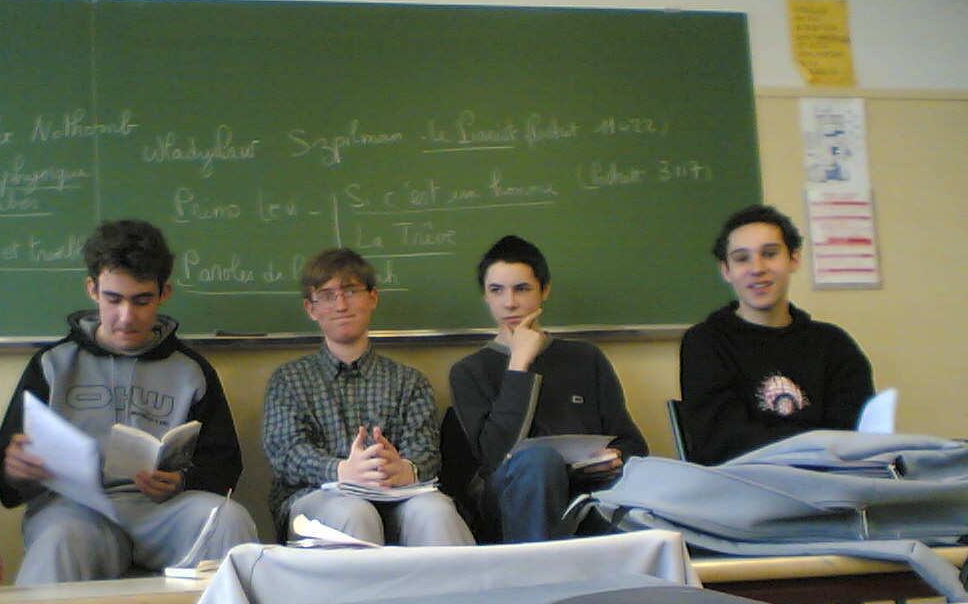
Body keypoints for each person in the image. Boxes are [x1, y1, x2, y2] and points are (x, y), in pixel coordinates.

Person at [0, 219, 258, 604]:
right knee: (60, 538)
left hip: (163, 514)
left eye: (142, 300)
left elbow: (224, 464)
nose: (127, 316)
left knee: (228, 517)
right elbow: (7, 473)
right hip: (77, 512)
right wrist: (17, 470)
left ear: (164, 294)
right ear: (92, 290)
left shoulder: (191, 370)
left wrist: (181, 481)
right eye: (113, 299)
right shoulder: (53, 365)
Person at [262, 247, 474, 546]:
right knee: (355, 512)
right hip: (317, 496)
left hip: (398, 495)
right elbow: (286, 453)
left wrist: (405, 469)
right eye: (327, 295)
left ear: (372, 298)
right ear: (311, 308)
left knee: (437, 511)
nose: (341, 305)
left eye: (351, 291)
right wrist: (341, 470)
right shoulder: (289, 380)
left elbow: (427, 453)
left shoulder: (409, 381)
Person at [449, 235, 648, 544]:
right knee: (539, 461)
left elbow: (632, 442)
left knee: (647, 484)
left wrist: (616, 455)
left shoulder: (585, 358)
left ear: (544, 291)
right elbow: (495, 454)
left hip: (587, 489)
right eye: (497, 290)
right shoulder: (469, 371)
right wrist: (519, 365)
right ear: (486, 297)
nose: (509, 302)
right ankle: (539, 566)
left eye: (522, 289)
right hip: (511, 495)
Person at [680, 204, 875, 465]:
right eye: (741, 258)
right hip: (743, 482)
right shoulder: (706, 342)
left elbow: (854, 436)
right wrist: (813, 444)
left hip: (827, 481)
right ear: (726, 271)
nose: (757, 268)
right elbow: (723, 441)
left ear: (793, 259)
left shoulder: (834, 344)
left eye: (770, 254)